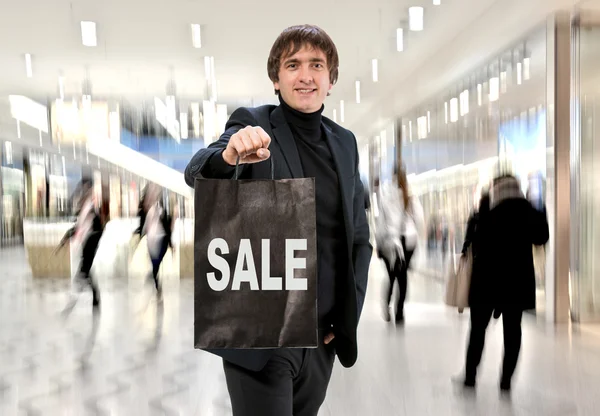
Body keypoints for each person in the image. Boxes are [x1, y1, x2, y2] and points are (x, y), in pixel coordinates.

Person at [184, 24, 372, 416]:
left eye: (316, 65)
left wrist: (346, 316)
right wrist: (230, 155)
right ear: (276, 77)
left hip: (321, 340)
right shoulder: (253, 123)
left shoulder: (345, 142)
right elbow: (197, 172)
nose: (305, 75)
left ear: (331, 79)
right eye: (293, 65)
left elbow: (357, 237)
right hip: (263, 335)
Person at [461, 174, 549, 392]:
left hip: (486, 281)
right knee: (513, 332)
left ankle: (470, 377)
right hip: (516, 283)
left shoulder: (487, 208)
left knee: (478, 330)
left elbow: (474, 240)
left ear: (495, 188)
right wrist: (541, 209)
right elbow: (542, 236)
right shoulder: (527, 209)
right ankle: (506, 381)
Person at [376, 167, 424, 322]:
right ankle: (399, 312)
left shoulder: (387, 195)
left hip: (392, 242)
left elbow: (382, 224)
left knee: (392, 276)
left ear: (393, 176)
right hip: (408, 241)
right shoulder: (410, 196)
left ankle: (387, 304)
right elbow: (420, 220)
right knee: (402, 278)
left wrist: (378, 242)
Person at [56, 179, 106, 308]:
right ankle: (95, 298)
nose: (83, 191)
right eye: (82, 189)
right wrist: (66, 239)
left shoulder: (91, 208)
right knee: (86, 270)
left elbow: (98, 228)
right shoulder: (84, 207)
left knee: (84, 270)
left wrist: (92, 239)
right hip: (87, 243)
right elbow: (78, 227)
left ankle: (74, 301)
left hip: (90, 243)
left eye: (86, 189)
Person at [133, 183, 174, 302]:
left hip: (161, 239)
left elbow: (167, 226)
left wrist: (171, 243)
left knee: (156, 264)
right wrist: (139, 236)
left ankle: (153, 279)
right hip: (151, 241)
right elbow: (143, 226)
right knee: (154, 264)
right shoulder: (146, 211)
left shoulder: (161, 209)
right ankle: (157, 286)